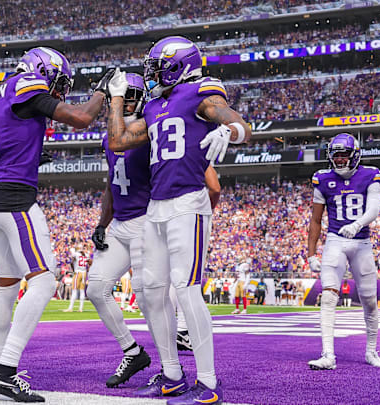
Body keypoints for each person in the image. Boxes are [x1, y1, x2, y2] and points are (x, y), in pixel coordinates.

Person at [106, 36, 250, 404]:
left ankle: (208, 383)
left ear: (177, 65)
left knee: (186, 291)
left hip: (189, 202)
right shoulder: (154, 105)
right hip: (156, 206)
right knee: (152, 293)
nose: (151, 73)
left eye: (156, 66)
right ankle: (171, 373)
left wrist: (228, 131)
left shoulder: (200, 92)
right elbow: (119, 141)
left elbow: (239, 124)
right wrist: (119, 99)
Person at [0, 46, 108, 402]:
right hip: (15, 199)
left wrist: (29, 150)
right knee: (45, 279)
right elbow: (82, 117)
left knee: (7, 287)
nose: (59, 90)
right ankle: (6, 370)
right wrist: (101, 93)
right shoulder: (26, 85)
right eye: (60, 81)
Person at [86, 72, 152, 387]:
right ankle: (132, 350)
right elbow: (112, 184)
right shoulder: (108, 138)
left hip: (147, 221)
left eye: (130, 96)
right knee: (96, 288)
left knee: (147, 294)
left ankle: (173, 364)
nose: (124, 102)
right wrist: (102, 223)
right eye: (120, 96)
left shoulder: (150, 130)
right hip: (121, 224)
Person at [307, 133, 380, 370]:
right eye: (336, 156)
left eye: (344, 155)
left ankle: (371, 351)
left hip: (362, 243)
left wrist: (358, 224)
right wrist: (311, 253)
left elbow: (374, 207)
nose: (340, 160)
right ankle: (328, 355)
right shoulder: (322, 178)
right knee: (329, 296)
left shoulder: (370, 174)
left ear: (355, 155)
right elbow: (316, 219)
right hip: (335, 241)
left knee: (369, 300)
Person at [64, 247, 90, 312]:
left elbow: (71, 261)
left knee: (74, 290)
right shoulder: (86, 255)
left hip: (78, 273)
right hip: (84, 273)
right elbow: (88, 265)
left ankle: (70, 308)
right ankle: (81, 308)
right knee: (81, 291)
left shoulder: (76, 254)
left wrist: (73, 269)